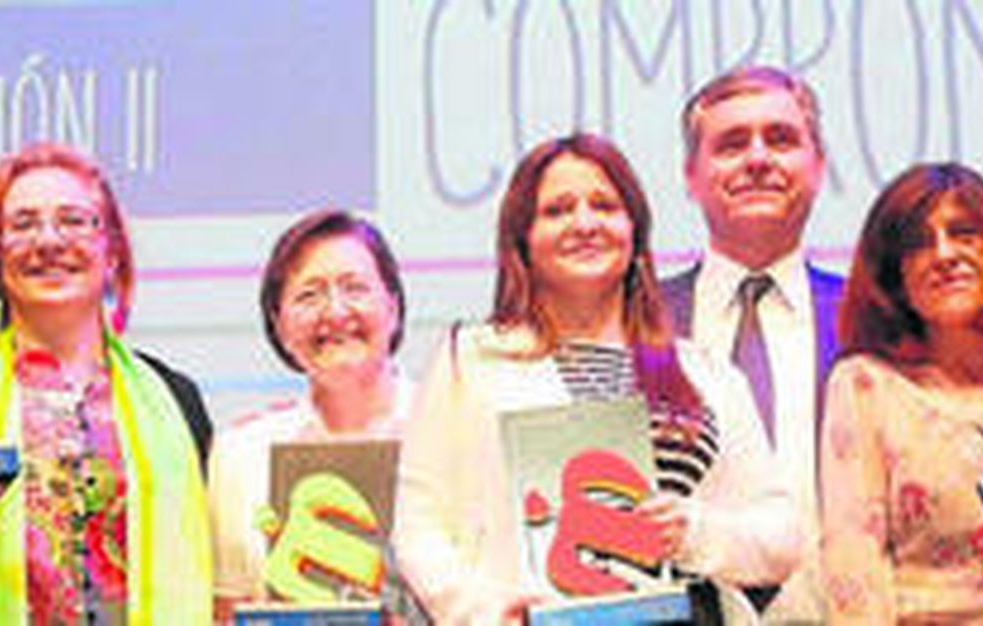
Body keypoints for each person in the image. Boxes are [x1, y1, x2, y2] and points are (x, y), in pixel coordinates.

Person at [395, 133, 801, 625]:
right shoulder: (471, 360)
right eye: (558, 210)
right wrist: (482, 612)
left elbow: (780, 535)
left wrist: (693, 532)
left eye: (605, 206)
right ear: (522, 241)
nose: (584, 224)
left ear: (634, 233)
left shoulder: (707, 371)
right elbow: (419, 521)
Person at [0, 143, 213, 625]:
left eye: (73, 220)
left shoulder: (177, 400)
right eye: (23, 224)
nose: (48, 240)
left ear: (111, 250)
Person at [819, 163, 983, 624]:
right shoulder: (867, 386)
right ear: (894, 275)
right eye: (917, 244)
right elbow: (855, 574)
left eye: (964, 233)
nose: (944, 254)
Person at [659, 65, 844, 621]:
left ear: (818, 166)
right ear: (691, 176)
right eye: (731, 144)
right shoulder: (639, 326)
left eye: (781, 139)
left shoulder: (876, 318)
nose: (758, 158)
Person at [210, 209, 416, 618]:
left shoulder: (451, 429)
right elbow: (225, 610)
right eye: (309, 295)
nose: (335, 312)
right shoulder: (240, 455)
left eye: (354, 288)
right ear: (280, 326)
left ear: (392, 307)